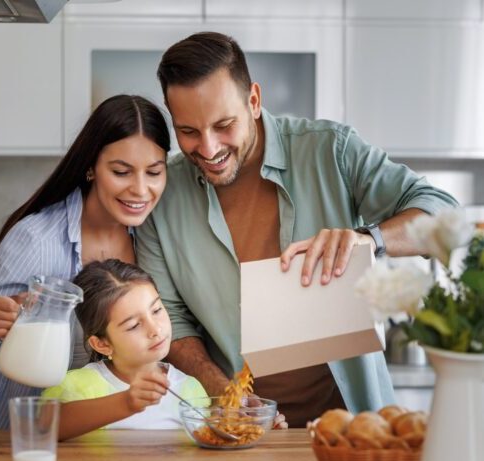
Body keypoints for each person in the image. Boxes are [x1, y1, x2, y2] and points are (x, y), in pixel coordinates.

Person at [135, 32, 458, 428]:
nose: (208, 148)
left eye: (224, 125)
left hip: (353, 427)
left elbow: (444, 214)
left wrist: (369, 239)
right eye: (188, 131)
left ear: (254, 100)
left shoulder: (330, 150)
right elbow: (173, 321)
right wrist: (224, 394)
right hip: (242, 435)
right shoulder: (162, 195)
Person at [0, 94, 170, 429]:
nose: (140, 189)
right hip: (8, 439)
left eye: (154, 172)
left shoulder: (152, 239)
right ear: (91, 167)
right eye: (121, 171)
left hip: (99, 445)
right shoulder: (36, 239)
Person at [42, 259, 206, 440]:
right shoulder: (76, 385)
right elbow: (44, 427)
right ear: (102, 344)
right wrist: (126, 402)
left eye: (157, 310)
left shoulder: (189, 388)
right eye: (134, 325)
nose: (155, 330)